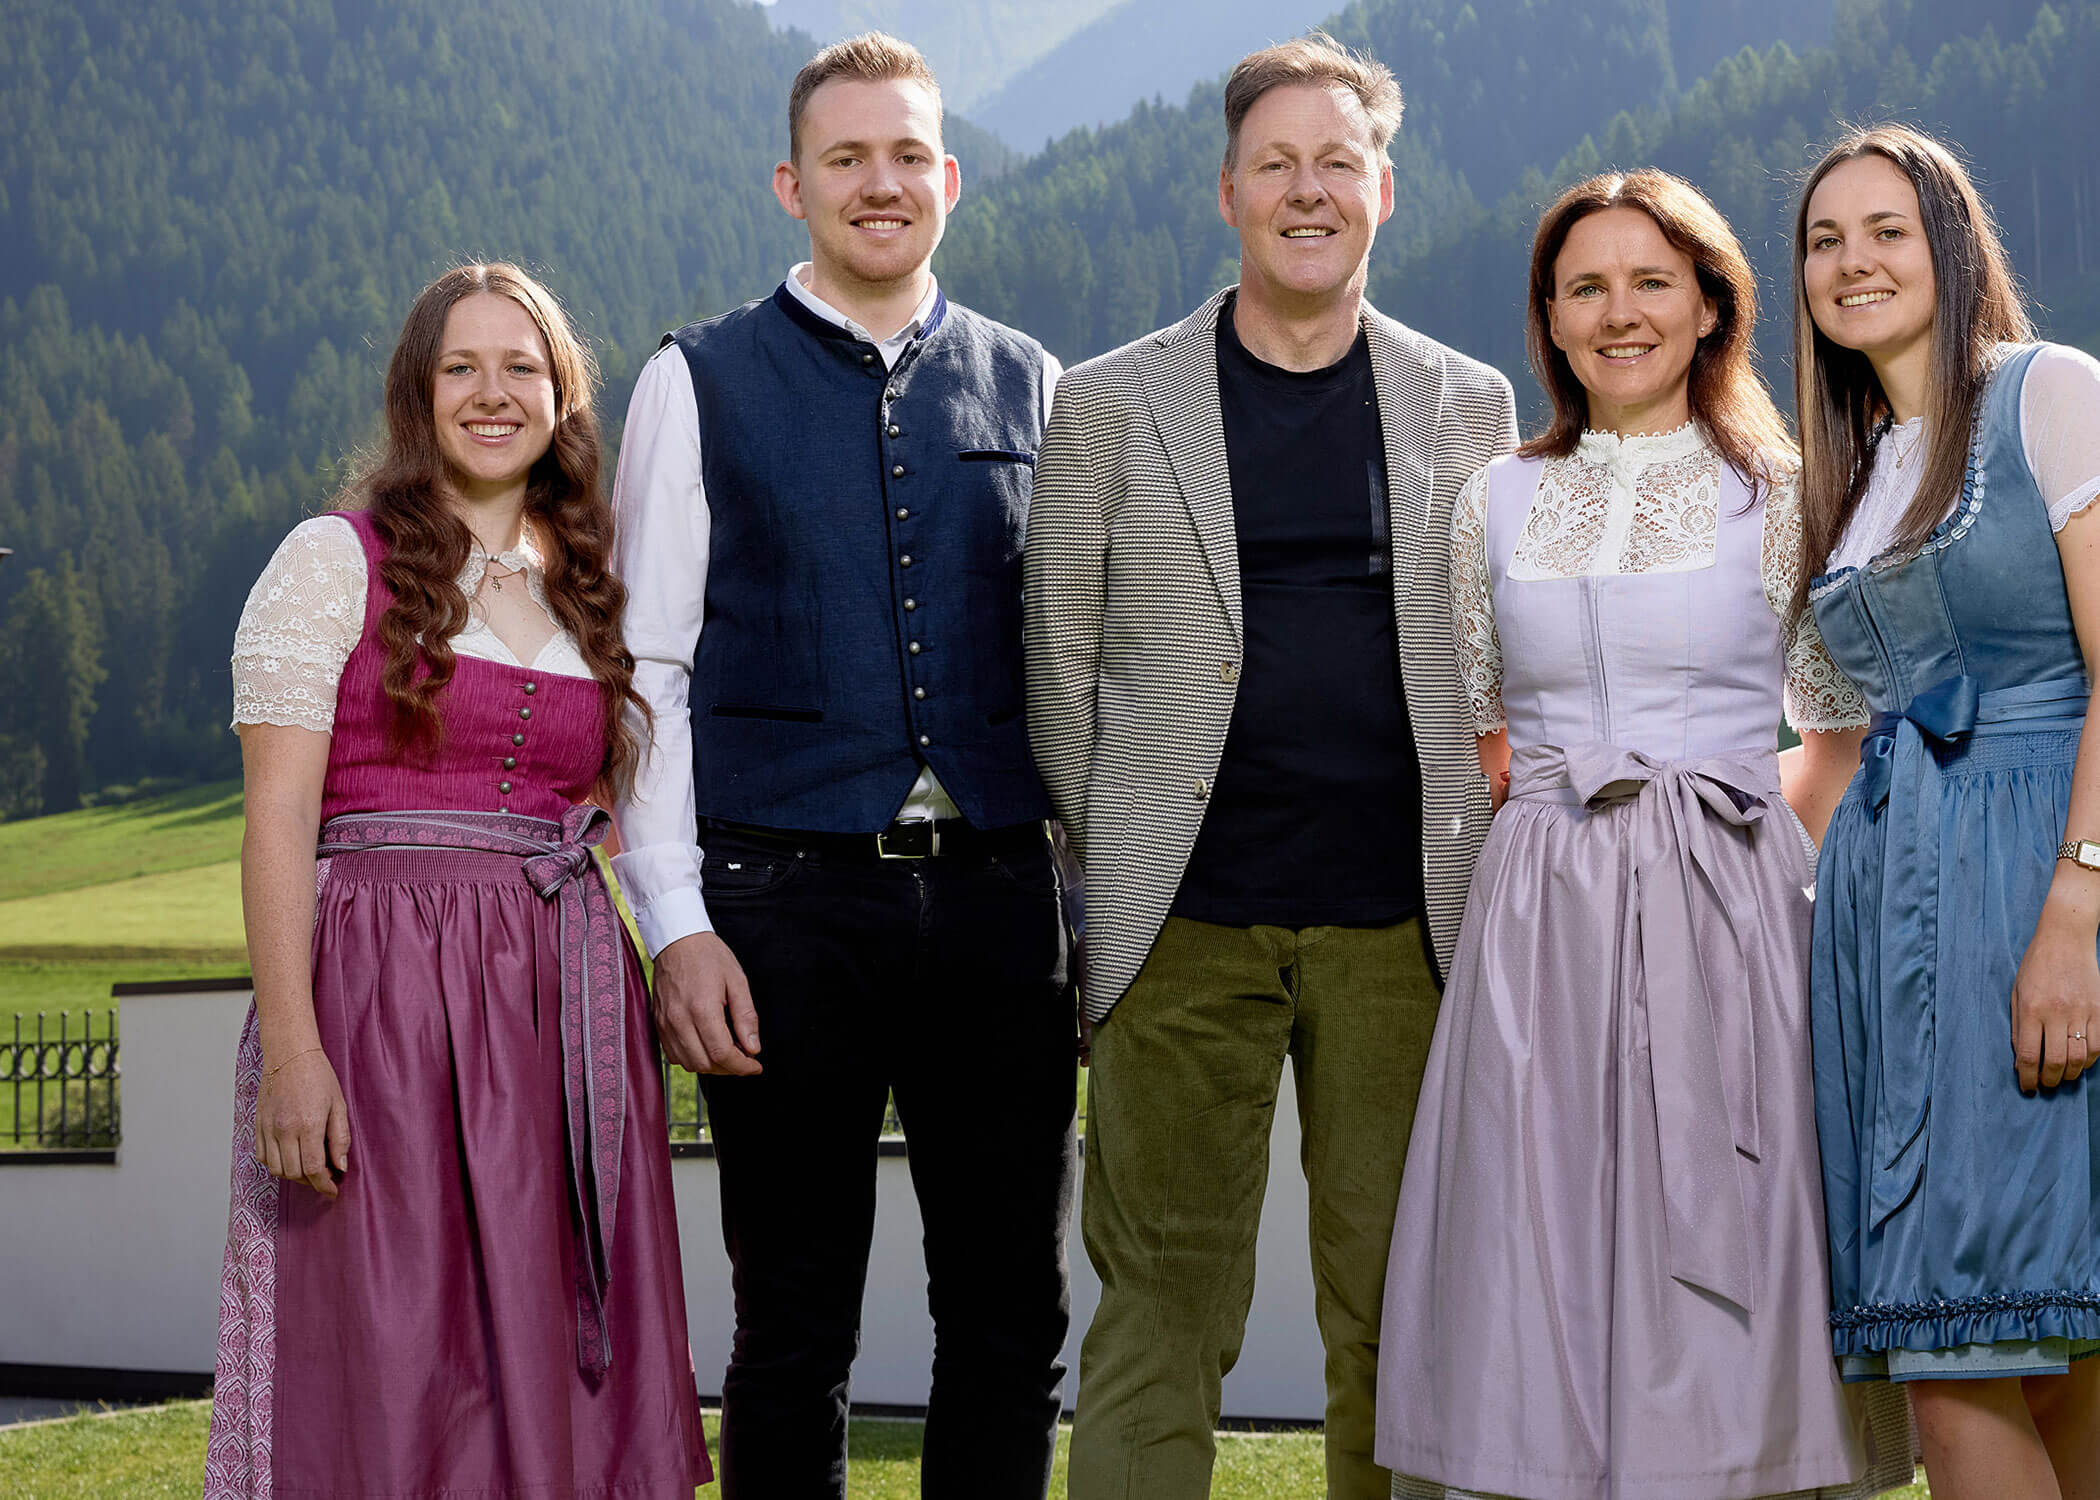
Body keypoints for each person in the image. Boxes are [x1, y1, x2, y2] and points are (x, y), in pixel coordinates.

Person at [1372, 168, 1917, 1500]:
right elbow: (1487, 735)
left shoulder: (1783, 493)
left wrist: (1742, 891)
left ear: (1712, 304)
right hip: (1539, 920)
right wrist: (1570, 863)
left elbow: (1836, 745)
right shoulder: (1490, 501)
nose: (1620, 314)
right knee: (1540, 1238)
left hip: (1733, 904)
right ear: (1549, 322)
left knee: (1726, 1245)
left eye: (1651, 282)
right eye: (1587, 288)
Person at [1025, 32, 1517, 1499]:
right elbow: (1057, 666)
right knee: (1162, 1314)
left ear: (1385, 189)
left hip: (1405, 933)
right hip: (1179, 933)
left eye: (1338, 164)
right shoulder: (1112, 402)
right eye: (1277, 164)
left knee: (1402, 1317)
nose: (1309, 191)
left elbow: (1491, 660)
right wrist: (1108, 877)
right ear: (1228, 189)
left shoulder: (1467, 402)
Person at [608, 32, 1073, 1500]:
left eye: (908, 156)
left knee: (1009, 1319)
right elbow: (650, 675)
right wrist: (676, 926)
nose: (882, 183)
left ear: (950, 176)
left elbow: (1069, 666)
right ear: (791, 184)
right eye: (846, 157)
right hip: (781, 908)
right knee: (793, 1326)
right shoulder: (696, 381)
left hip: (1001, 908)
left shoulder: (1030, 381)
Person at [204, 263, 710, 1499]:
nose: (494, 394)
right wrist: (294, 1049)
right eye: (461, 368)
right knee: (389, 1338)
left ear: (562, 395)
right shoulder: (335, 561)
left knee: (556, 1327)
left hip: (562, 1002)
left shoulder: (595, 582)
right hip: (382, 1000)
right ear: (415, 395)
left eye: (522, 367)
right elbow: (275, 824)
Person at [1795, 123, 2100, 1499]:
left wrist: (2078, 910)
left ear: (1954, 241)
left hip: (2034, 883)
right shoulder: (1852, 472)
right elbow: (1835, 749)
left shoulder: (2051, 395)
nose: (1852, 262)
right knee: (2046, 1339)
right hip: (1894, 925)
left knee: (1962, 1341)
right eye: (1822, 240)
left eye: (1885, 230)